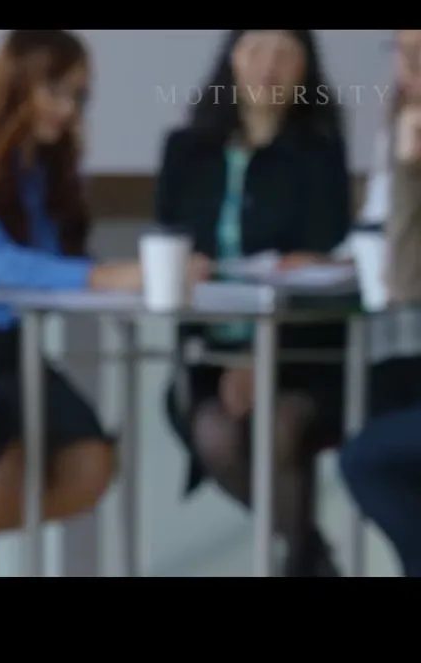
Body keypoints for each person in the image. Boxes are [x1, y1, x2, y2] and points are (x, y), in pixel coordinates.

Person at [0, 30, 171, 578]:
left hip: (10, 341)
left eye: (78, 97)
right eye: (57, 90)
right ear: (17, 84)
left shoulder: (37, 171)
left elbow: (45, 263)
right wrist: (104, 276)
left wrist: (106, 274)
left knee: (89, 462)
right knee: (26, 442)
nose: (68, 109)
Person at [155, 29, 353, 577]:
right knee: (217, 432)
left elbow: (322, 256)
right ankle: (312, 557)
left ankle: (300, 562)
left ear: (305, 69)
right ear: (232, 60)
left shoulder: (320, 153)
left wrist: (263, 361)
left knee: (282, 425)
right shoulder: (185, 151)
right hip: (208, 357)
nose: (269, 67)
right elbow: (170, 251)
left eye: (285, 54)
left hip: (299, 354)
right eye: (256, 50)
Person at [339, 28, 421, 576]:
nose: (407, 66)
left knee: (371, 459)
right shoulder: (399, 125)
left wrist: (411, 169)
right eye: (402, 51)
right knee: (384, 394)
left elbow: (407, 275)